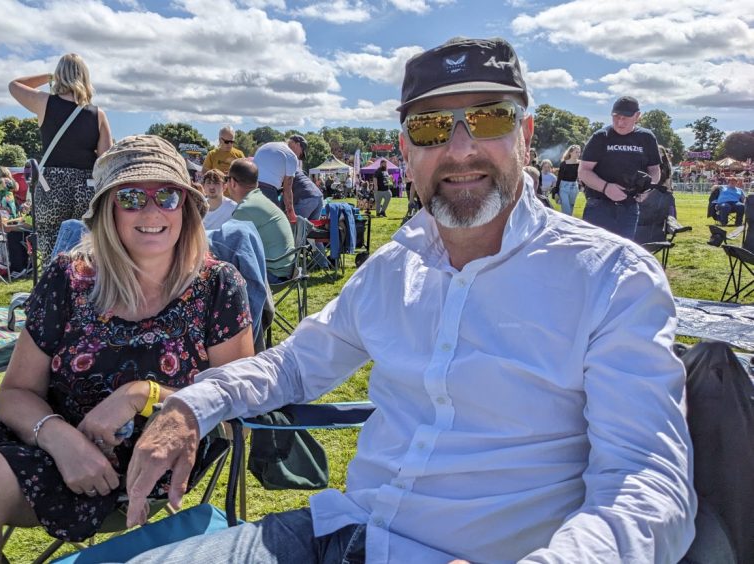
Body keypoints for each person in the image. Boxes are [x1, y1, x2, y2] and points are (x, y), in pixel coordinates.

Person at [123, 37, 695, 563]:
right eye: (429, 128)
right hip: (341, 535)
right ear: (404, 149)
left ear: (525, 134)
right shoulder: (395, 267)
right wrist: (193, 404)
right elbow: (297, 363)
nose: (460, 148)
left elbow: (645, 482)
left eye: (489, 118)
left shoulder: (611, 277)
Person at [0, 135, 254, 563]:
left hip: (146, 454)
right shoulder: (69, 277)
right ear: (108, 209)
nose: (151, 210)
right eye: (130, 197)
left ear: (186, 206)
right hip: (47, 433)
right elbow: (15, 393)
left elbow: (235, 394)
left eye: (167, 195)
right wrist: (59, 439)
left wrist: (140, 393)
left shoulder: (216, 284)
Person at [9, 52, 114, 267]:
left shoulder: (44, 103)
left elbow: (14, 85)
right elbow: (105, 159)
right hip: (86, 185)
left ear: (59, 76)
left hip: (52, 185)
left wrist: (49, 77)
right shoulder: (98, 114)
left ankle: (54, 286)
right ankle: (82, 288)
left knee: (50, 240)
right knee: (86, 243)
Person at [579, 96, 661, 240]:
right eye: (616, 117)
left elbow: (654, 170)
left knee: (623, 252)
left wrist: (648, 189)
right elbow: (584, 171)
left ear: (637, 116)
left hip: (629, 206)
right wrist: (606, 187)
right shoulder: (601, 137)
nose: (620, 122)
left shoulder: (646, 138)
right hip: (599, 204)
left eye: (625, 118)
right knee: (593, 250)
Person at [227, 158, 295, 282]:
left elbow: (227, 246)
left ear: (232, 182)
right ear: (256, 182)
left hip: (272, 274)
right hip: (283, 269)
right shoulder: (257, 199)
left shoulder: (245, 209)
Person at [253, 141, 299, 222]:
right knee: (274, 224)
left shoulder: (266, 146)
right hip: (268, 191)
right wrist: (291, 213)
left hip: (250, 187)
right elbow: (287, 189)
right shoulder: (292, 156)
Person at [286, 135, 324, 220]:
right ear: (297, 145)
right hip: (318, 196)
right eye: (302, 151)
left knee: (293, 230)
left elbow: (286, 190)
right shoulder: (292, 163)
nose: (300, 155)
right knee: (309, 231)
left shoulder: (286, 161)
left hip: (307, 198)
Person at [555, 144, 581, 214]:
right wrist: (556, 191)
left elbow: (581, 176)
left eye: (579, 152)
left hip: (574, 187)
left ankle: (567, 223)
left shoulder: (580, 164)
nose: (578, 154)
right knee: (566, 208)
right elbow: (559, 178)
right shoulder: (564, 164)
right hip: (564, 187)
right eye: (576, 152)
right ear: (570, 152)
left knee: (571, 207)